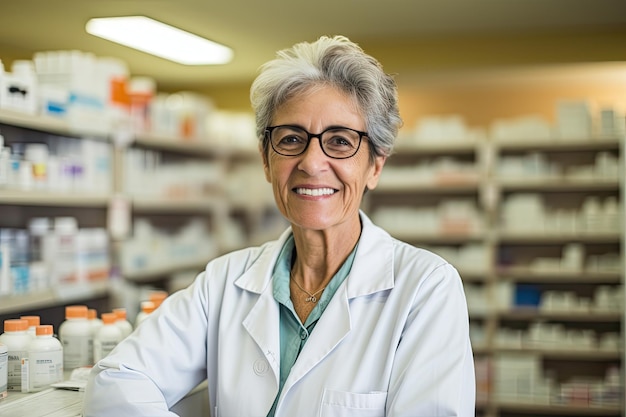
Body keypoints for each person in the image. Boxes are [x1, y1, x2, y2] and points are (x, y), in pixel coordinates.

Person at [83, 35, 475, 416]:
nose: (311, 162)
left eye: (339, 141)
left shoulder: (426, 289)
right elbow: (116, 380)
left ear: (375, 165)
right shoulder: (223, 282)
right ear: (267, 161)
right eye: (291, 139)